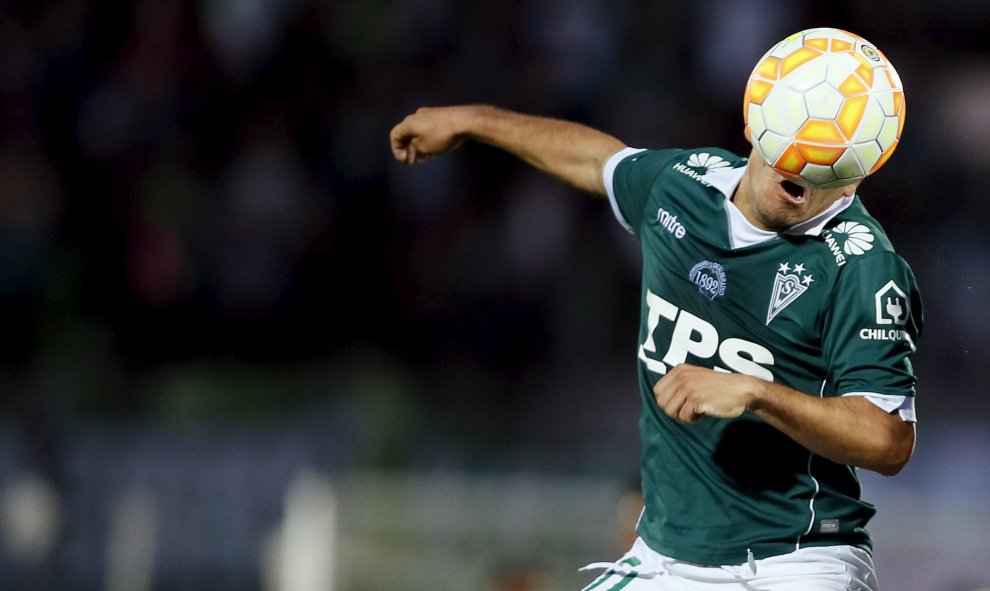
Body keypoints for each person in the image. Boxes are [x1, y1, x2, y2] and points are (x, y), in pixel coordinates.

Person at [389, 31, 922, 591]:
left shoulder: (862, 266)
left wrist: (756, 392)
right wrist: (473, 120)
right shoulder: (681, 187)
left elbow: (887, 439)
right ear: (752, 125)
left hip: (795, 562)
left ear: (859, 175)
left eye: (824, 175)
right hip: (665, 561)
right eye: (789, 163)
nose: (800, 182)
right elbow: (598, 160)